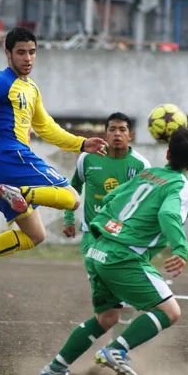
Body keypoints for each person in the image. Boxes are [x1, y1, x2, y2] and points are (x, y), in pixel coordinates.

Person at [38, 127, 188, 375]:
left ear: (167, 153)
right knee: (170, 311)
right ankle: (117, 350)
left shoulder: (148, 173)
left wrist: (104, 229)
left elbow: (113, 196)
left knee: (107, 317)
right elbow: (168, 215)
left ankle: (54, 369)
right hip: (121, 256)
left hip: (97, 248)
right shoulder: (182, 187)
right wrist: (180, 248)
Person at [0, 27, 107, 292]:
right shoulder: (0, 83)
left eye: (32, 52)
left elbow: (47, 129)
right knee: (72, 198)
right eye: (21, 52)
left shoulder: (31, 88)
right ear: (7, 54)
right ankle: (21, 193)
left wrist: (81, 143)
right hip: (11, 160)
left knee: (36, 235)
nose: (27, 58)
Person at [62, 112, 151, 340]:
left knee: (125, 301)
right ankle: (109, 350)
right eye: (112, 129)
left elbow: (147, 204)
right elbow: (73, 187)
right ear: (105, 133)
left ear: (130, 135)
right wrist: (69, 218)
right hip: (94, 238)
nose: (117, 134)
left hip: (124, 240)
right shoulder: (88, 159)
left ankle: (115, 349)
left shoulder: (141, 165)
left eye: (122, 129)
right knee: (109, 304)